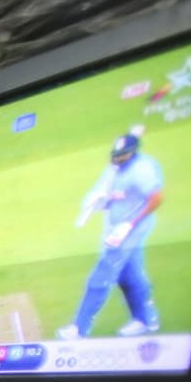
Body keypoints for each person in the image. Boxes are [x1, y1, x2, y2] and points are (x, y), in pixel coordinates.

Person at [64, 127, 164, 339]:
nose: (117, 158)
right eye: (116, 155)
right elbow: (110, 195)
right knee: (129, 275)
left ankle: (79, 328)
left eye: (122, 155)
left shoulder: (142, 169)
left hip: (132, 229)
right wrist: (99, 201)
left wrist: (130, 224)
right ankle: (146, 319)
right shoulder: (116, 168)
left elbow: (156, 198)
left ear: (132, 152)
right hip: (117, 226)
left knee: (103, 274)